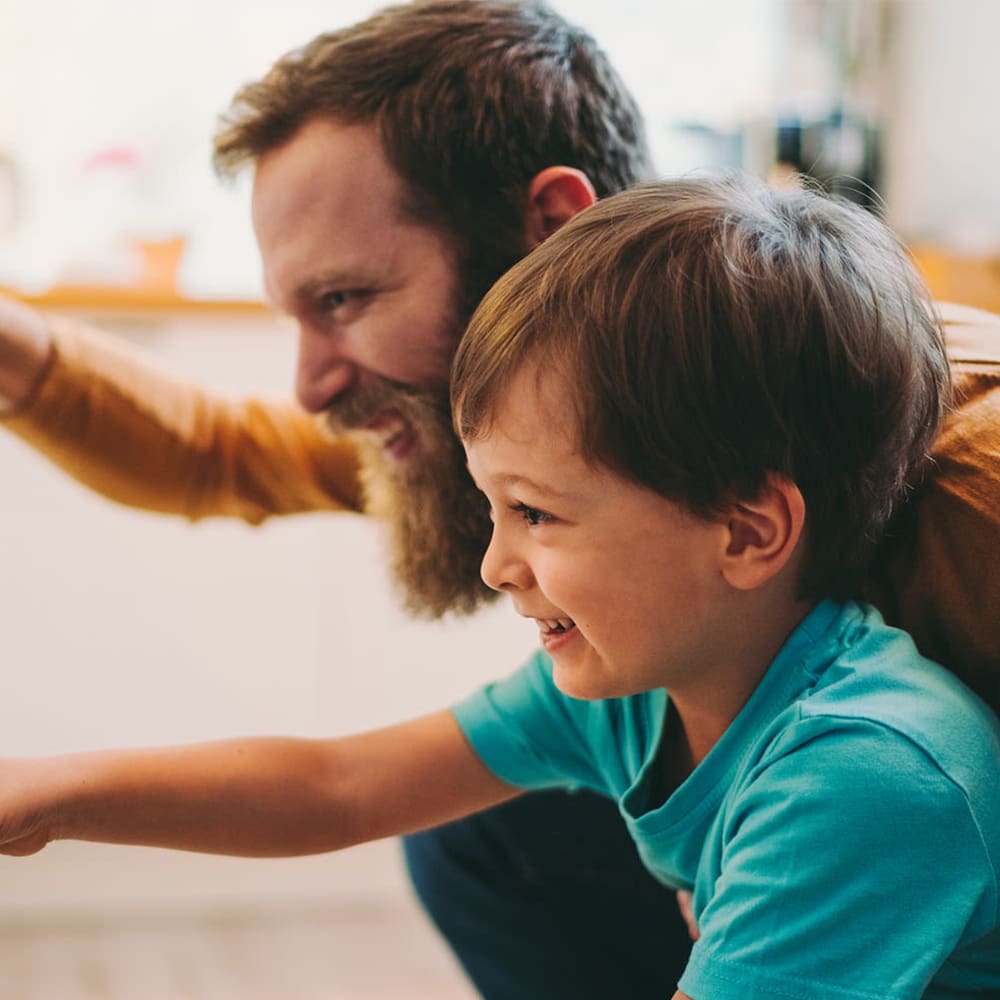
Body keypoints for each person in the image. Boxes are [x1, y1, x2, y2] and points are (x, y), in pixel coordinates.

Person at [0, 1, 998, 997]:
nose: (309, 386)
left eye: (344, 297)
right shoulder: (646, 662)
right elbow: (332, 773)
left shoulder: (894, 695)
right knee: (480, 825)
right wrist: (51, 791)